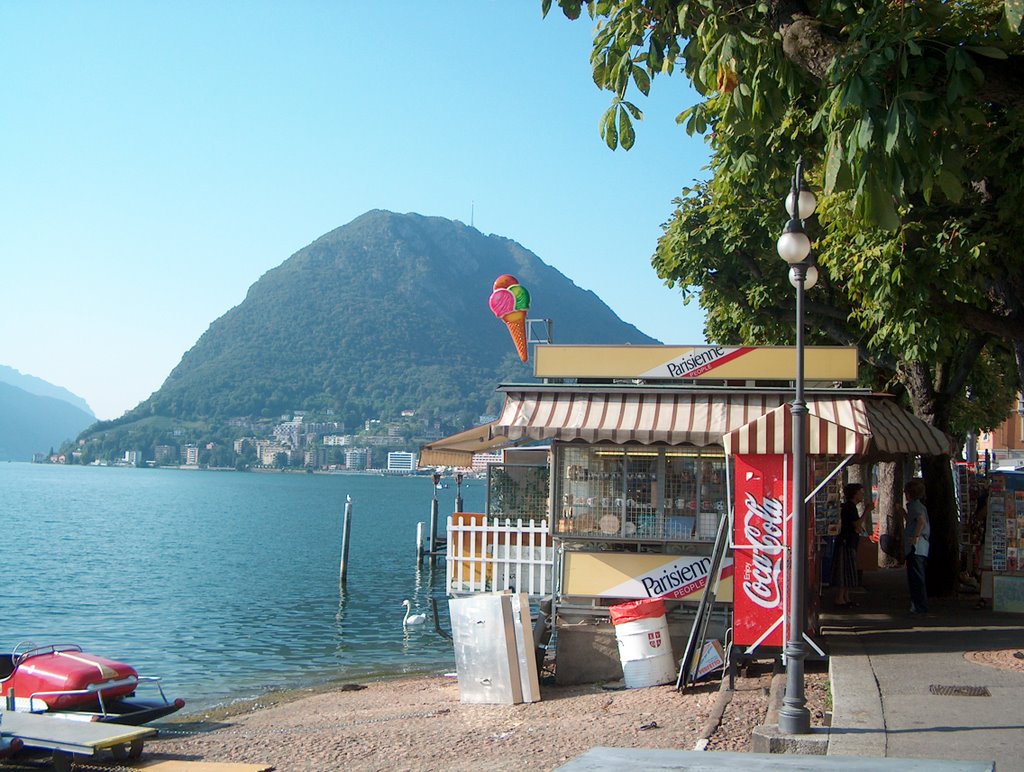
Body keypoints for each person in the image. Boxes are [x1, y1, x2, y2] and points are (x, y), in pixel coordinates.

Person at [831, 483, 864, 608]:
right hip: (846, 542)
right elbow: (856, 524)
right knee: (844, 570)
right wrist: (867, 511)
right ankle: (840, 598)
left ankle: (846, 597)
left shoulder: (850, 507)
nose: (862, 495)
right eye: (861, 492)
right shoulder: (850, 507)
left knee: (848, 570)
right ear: (855, 494)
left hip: (849, 541)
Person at [903, 477, 931, 614]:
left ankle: (920, 605)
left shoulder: (915, 506)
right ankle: (918, 604)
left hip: (916, 546)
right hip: (922, 546)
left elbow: (920, 521)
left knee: (916, 577)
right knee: (917, 576)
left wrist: (915, 537)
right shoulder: (919, 506)